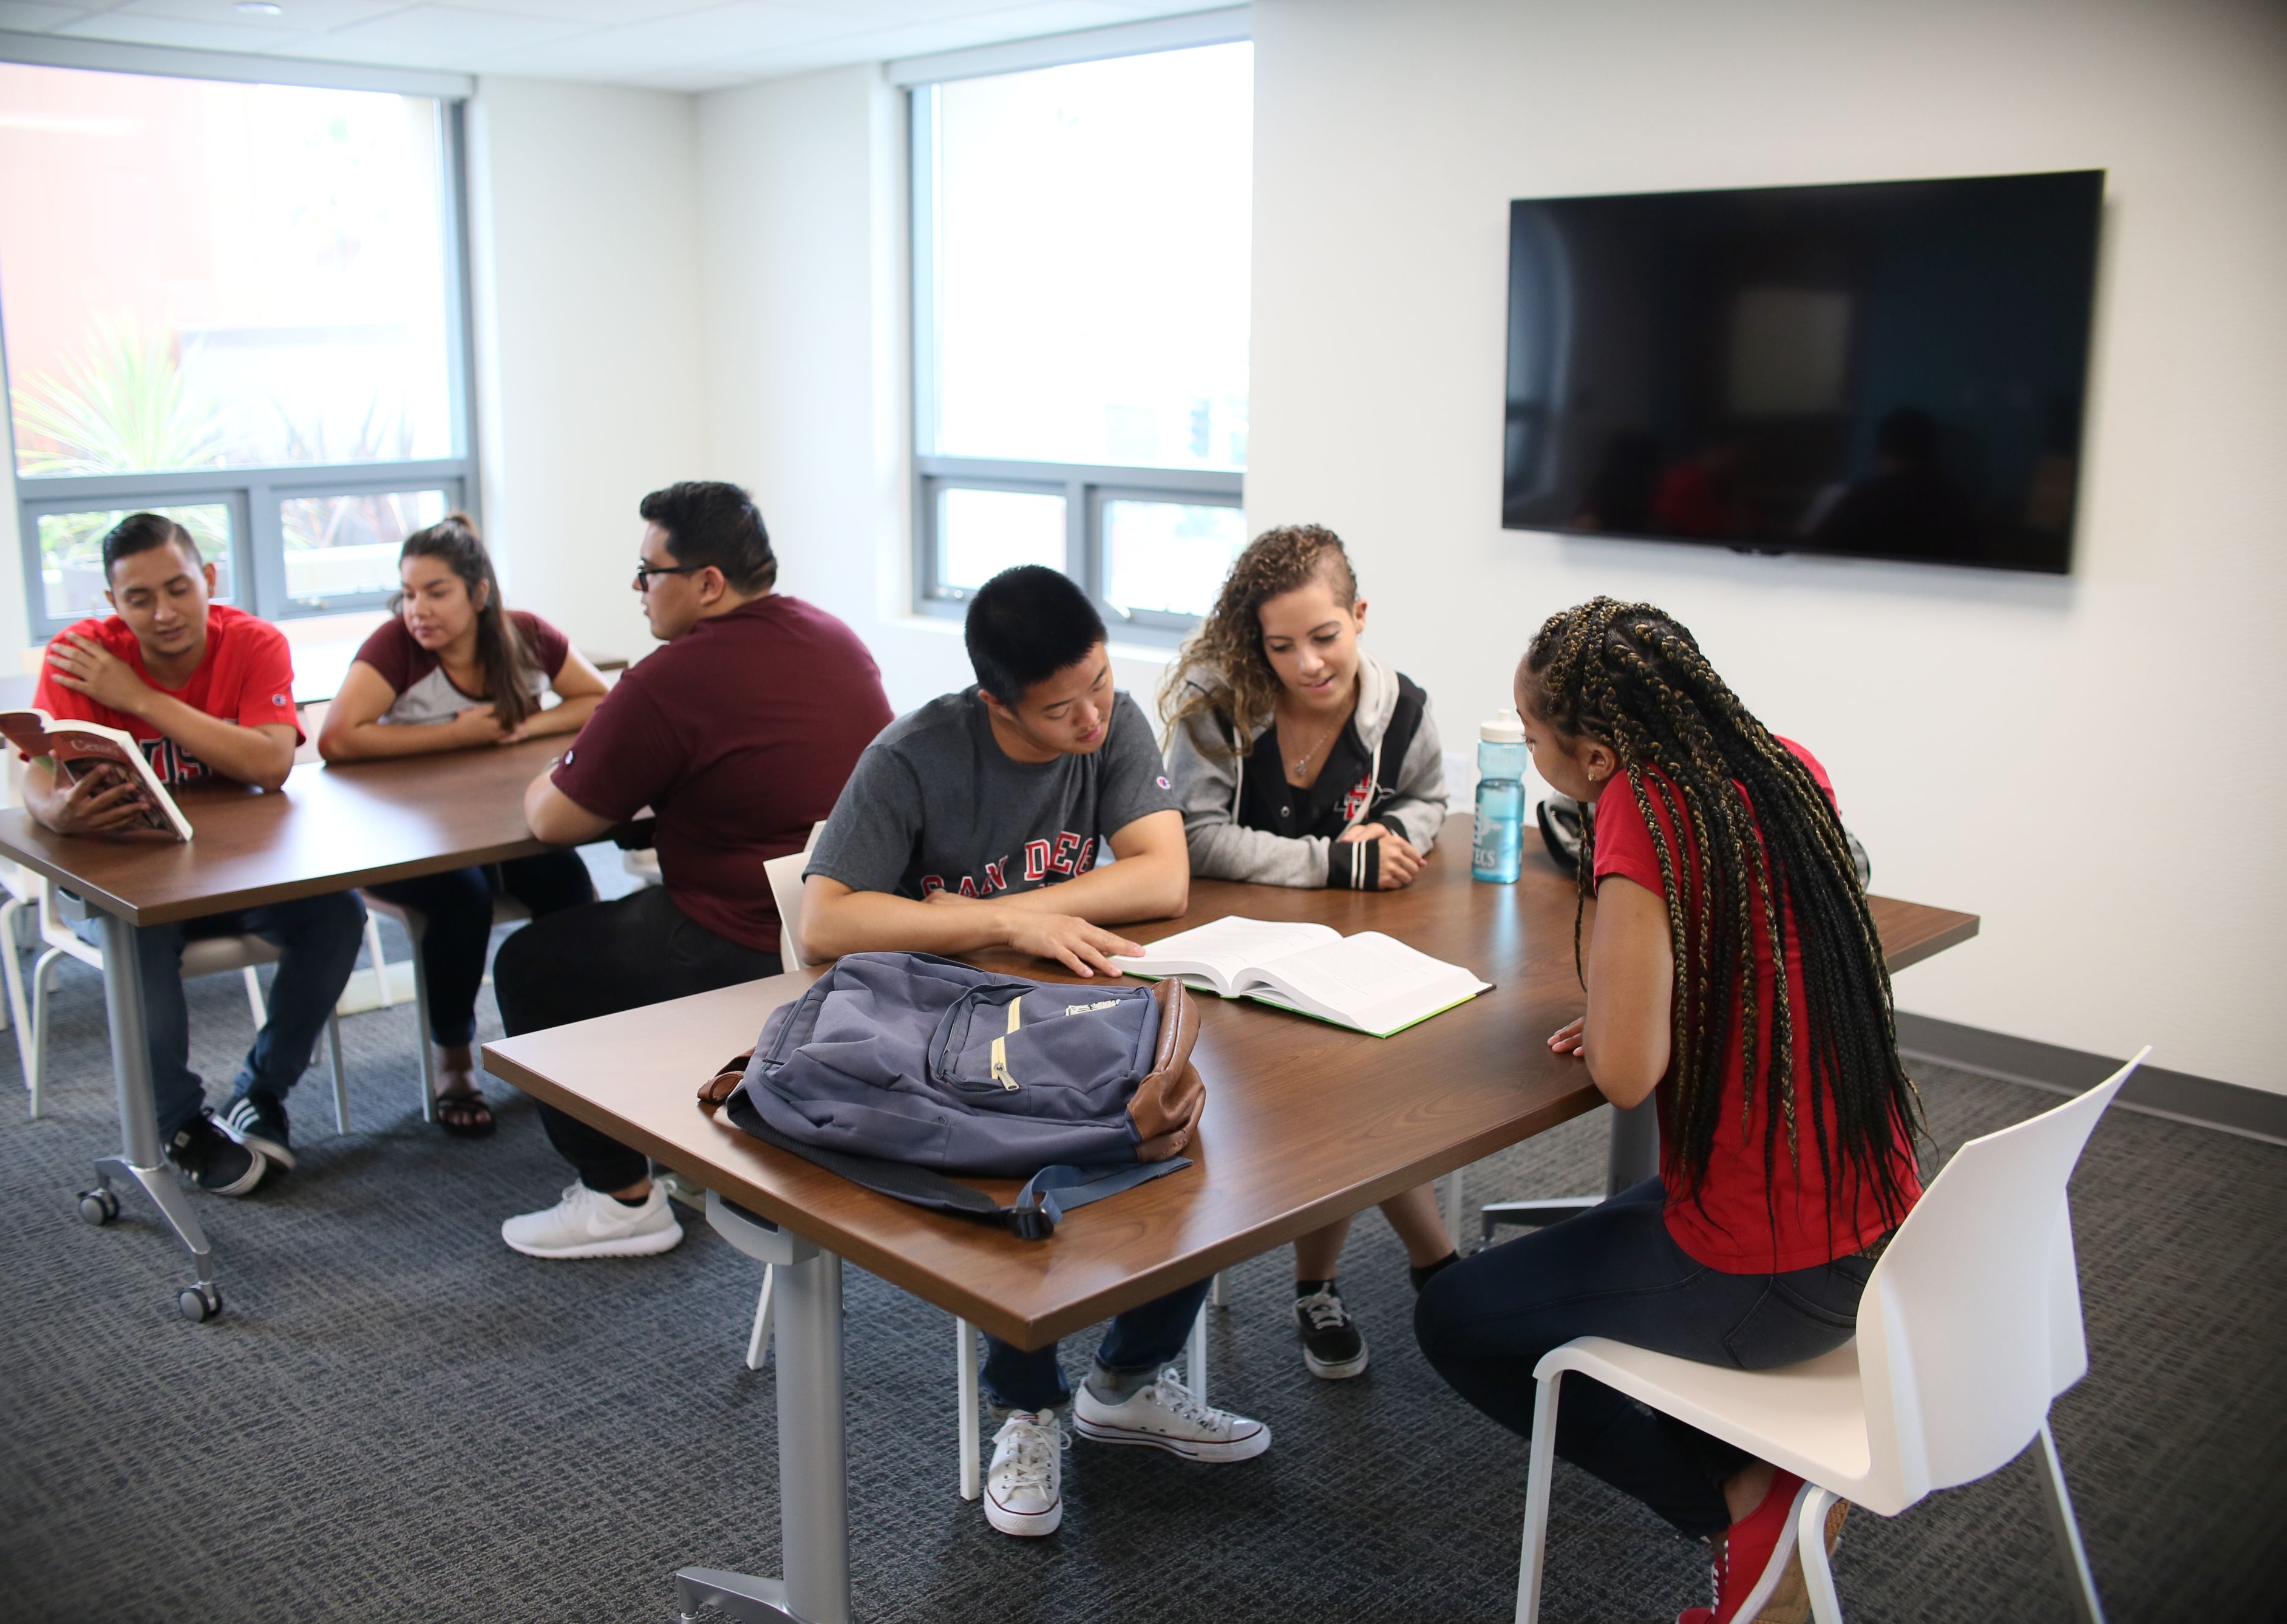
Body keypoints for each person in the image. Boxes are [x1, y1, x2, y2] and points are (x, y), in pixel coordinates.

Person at [1413, 598, 1925, 1624]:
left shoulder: (1640, 813)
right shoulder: (1785, 766)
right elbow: (1747, 957)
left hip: (1778, 1269)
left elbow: (1624, 1074)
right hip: (1885, 1221)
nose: (1528, 749)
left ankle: (1740, 1499)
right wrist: (1639, 991)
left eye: (1537, 735)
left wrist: (1614, 989)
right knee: (1621, 1233)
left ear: (1598, 753)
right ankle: (1758, 1476)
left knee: (1453, 1319)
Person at [798, 563, 1271, 1541]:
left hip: (1068, 1011)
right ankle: (1028, 1408)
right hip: (944, 1032)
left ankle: (1128, 1380)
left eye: (1099, 685)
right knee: (1016, 1186)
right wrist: (1010, 934)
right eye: (1062, 710)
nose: (1093, 720)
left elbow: (1163, 874)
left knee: (1179, 1135)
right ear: (994, 702)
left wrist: (990, 917)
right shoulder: (914, 756)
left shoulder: (1111, 712)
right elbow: (826, 921)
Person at [492, 481, 892, 1258]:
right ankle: (671, 1130)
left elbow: (554, 818)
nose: (636, 588)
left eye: (649, 572)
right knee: (600, 929)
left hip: (741, 936)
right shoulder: (835, 637)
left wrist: (557, 768)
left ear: (707, 582)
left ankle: (620, 1199)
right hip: (854, 931)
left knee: (533, 964)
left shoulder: (671, 676)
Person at [1160, 523, 1458, 1381]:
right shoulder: (1223, 703)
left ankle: (1331, 1282)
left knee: (1371, 1079)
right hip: (1222, 960)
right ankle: (1421, 1266)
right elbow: (1196, 838)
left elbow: (1428, 798)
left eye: (1325, 636)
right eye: (1281, 645)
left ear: (1360, 615)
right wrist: (1331, 860)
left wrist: (1396, 832)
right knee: (1354, 1093)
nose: (1307, 664)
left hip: (1342, 949)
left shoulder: (1403, 707)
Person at [20, 512, 364, 1195]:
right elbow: (33, 770)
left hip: (231, 870)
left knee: (338, 916)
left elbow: (270, 762)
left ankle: (261, 1091)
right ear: (114, 604)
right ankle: (180, 1124)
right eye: (139, 598)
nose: (164, 611)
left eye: (178, 588)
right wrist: (54, 808)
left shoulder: (253, 642)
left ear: (209, 579)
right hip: (126, 875)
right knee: (139, 935)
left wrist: (139, 698)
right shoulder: (78, 654)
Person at [316, 512, 609, 1136]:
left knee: (566, 882)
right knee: (462, 899)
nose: (417, 608)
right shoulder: (392, 646)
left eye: (436, 591)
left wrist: (522, 725)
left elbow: (597, 698)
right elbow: (337, 738)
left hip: (501, 824)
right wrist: (453, 734)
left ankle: (572, 1037)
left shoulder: (524, 634)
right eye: (409, 592)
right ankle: (453, 1058)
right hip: (406, 841)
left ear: (479, 594)